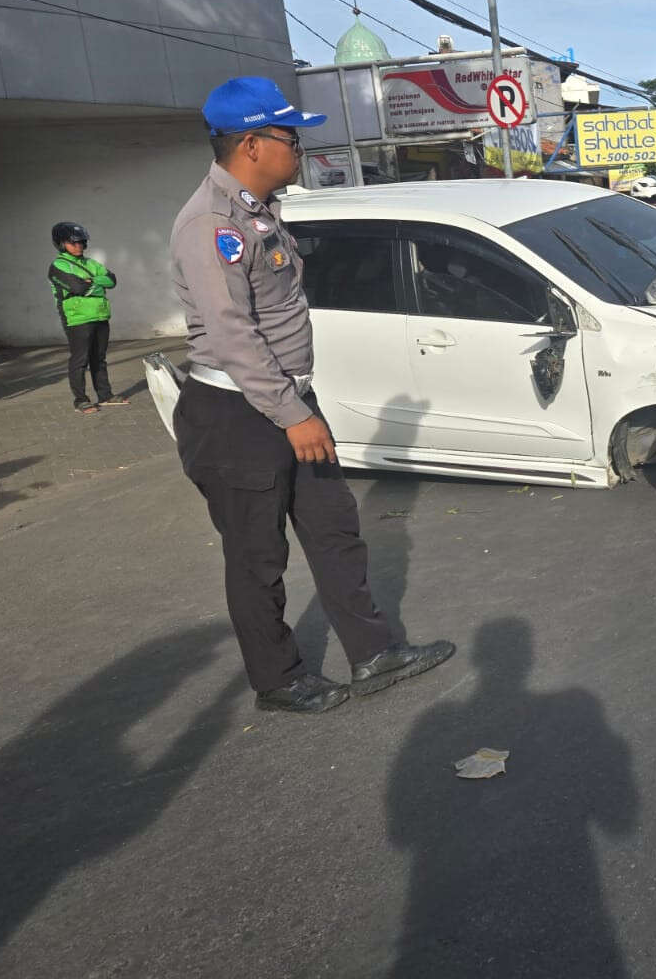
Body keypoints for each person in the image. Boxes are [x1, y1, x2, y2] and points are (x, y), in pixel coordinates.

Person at [170, 75, 453, 714]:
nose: (298, 148)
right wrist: (294, 414)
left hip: (288, 403)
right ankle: (279, 681)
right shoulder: (212, 225)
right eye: (288, 136)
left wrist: (299, 407)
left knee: (334, 530)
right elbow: (233, 335)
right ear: (250, 144)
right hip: (238, 414)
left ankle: (374, 651)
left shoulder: (258, 210)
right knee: (256, 557)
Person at [47, 222, 125, 414]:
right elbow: (77, 287)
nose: (78, 246)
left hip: (100, 314)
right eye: (72, 242)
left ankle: (105, 396)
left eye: (81, 242)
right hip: (77, 318)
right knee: (80, 360)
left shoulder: (91, 263)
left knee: (99, 358)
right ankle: (81, 400)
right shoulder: (58, 266)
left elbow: (112, 280)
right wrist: (97, 284)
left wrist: (91, 282)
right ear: (61, 243)